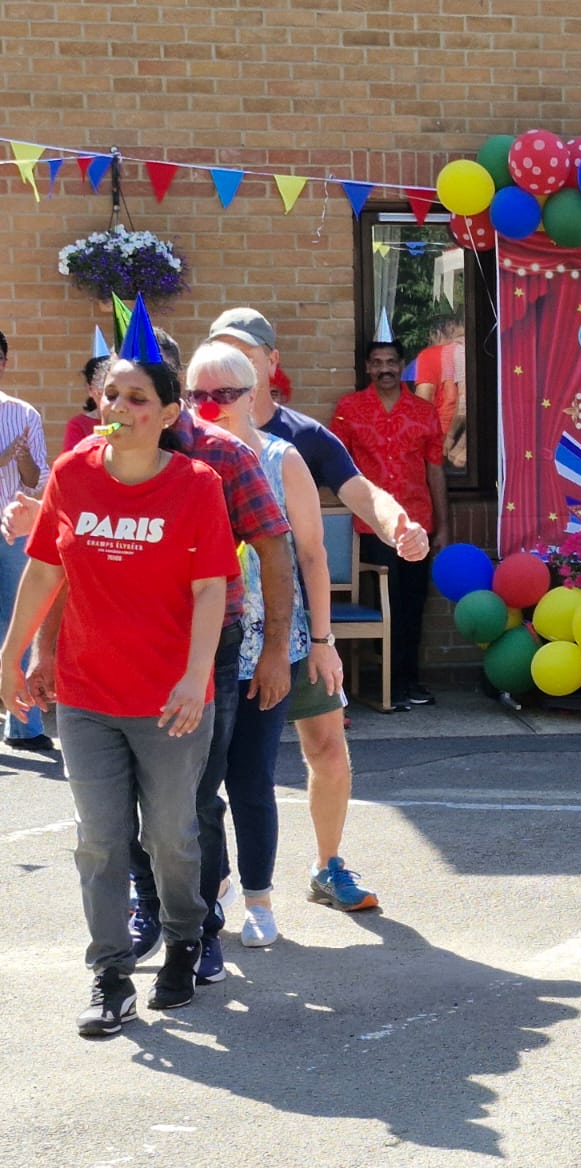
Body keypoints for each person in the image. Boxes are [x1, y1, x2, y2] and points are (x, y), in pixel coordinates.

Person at [4, 328, 295, 987]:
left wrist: (276, 650)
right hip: (99, 672)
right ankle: (145, 917)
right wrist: (38, 651)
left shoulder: (218, 464)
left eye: (141, 392)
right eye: (110, 391)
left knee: (188, 802)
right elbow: (61, 569)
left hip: (202, 651)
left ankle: (195, 932)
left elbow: (273, 552)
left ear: (170, 404)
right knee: (112, 817)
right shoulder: (82, 466)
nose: (120, 406)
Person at [208, 307, 430, 912]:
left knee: (327, 747)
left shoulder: (299, 438)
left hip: (298, 634)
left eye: (245, 355)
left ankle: (329, 866)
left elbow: (361, 491)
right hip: (218, 633)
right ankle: (214, 882)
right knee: (211, 771)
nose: (231, 371)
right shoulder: (190, 437)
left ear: (269, 365)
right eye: (220, 356)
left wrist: (397, 525)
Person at [186, 342, 340, 948]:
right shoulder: (178, 461)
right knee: (197, 785)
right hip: (198, 651)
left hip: (266, 647)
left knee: (250, 778)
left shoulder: (283, 460)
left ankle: (259, 899)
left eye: (224, 393)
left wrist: (321, 642)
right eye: (198, 394)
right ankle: (213, 887)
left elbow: (310, 555)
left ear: (254, 394)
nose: (211, 405)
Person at [331, 339, 449, 709]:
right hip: (372, 526)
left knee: (414, 604)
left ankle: (409, 680)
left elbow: (435, 469)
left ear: (402, 366)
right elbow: (336, 466)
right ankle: (386, 684)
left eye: (392, 361)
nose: (385, 368)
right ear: (367, 367)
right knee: (387, 600)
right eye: (377, 362)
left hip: (418, 522)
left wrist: (443, 526)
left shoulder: (424, 411)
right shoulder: (349, 410)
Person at [0, 329, 53, 752]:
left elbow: (38, 481)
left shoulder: (24, 414)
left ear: (4, 364)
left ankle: (25, 726)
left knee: (20, 620)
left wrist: (22, 461)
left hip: (13, 532)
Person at [410, 311, 467, 470]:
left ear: (436, 333)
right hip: (464, 432)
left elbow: (424, 399)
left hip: (441, 436)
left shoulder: (429, 355)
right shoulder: (468, 352)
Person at [63, 355, 109, 455]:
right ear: (90, 390)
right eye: (101, 392)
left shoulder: (131, 422)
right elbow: (71, 463)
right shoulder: (78, 425)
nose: (109, 401)